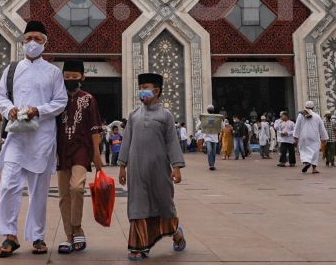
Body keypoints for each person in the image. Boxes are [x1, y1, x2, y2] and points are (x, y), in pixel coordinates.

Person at [0, 20, 67, 258]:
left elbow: (60, 102)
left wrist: (38, 110)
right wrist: (9, 109)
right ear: (22, 42)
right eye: (28, 39)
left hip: (42, 138)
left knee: (39, 190)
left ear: (46, 43)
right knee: (8, 185)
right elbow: (1, 96)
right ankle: (9, 236)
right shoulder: (12, 69)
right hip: (16, 136)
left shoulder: (53, 72)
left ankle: (37, 236)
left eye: (38, 39)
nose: (32, 43)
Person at [118, 72, 186, 261]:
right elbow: (127, 141)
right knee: (138, 205)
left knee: (164, 204)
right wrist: (122, 166)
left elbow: (172, 142)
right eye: (140, 88)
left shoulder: (166, 116)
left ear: (156, 91)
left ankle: (176, 232)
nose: (142, 92)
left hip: (159, 168)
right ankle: (140, 245)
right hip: (136, 169)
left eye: (146, 88)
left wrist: (177, 166)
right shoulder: (133, 116)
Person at [54, 59, 104, 255]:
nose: (71, 80)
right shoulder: (57, 99)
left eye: (75, 77)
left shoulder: (89, 99)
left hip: (82, 150)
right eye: (67, 77)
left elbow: (94, 128)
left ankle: (77, 227)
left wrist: (97, 154)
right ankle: (68, 236)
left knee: (76, 187)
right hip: (61, 150)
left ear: (83, 77)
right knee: (64, 195)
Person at [293, 102, 327, 173]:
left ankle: (306, 163)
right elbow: (322, 128)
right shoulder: (317, 116)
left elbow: (297, 126)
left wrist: (295, 136)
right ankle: (314, 169)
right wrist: (324, 137)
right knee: (315, 152)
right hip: (314, 136)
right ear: (313, 108)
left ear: (305, 107)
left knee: (304, 151)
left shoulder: (300, 115)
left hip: (304, 136)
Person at [199, 105, 223, 170]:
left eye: (211, 109)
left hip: (214, 137)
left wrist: (221, 122)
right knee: (209, 150)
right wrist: (200, 121)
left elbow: (222, 126)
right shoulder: (204, 118)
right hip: (207, 137)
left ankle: (213, 164)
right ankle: (211, 165)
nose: (210, 110)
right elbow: (198, 126)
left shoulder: (217, 118)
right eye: (210, 109)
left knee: (213, 152)